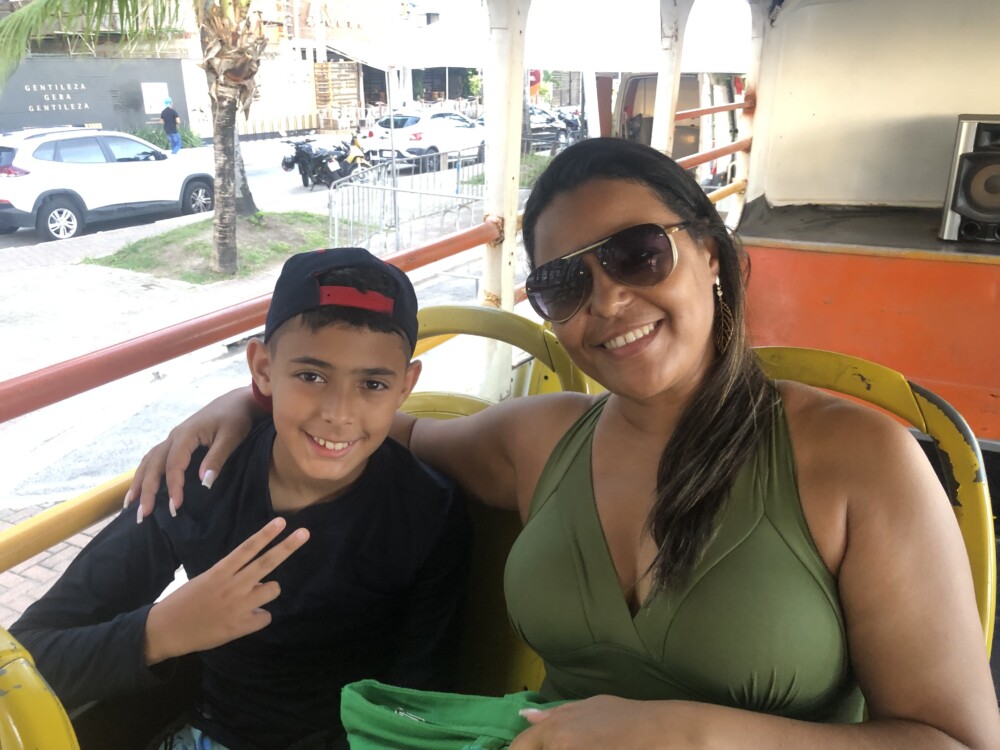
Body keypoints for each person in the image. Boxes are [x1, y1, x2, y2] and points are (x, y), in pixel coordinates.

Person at [127, 138, 1000, 748]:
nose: (607, 300)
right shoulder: (539, 440)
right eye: (562, 282)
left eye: (637, 254)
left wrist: (687, 735)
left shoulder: (857, 460)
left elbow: (954, 740)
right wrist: (248, 404)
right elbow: (367, 422)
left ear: (711, 256)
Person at [11, 248, 470, 750]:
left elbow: (419, 702)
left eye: (373, 384)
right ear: (263, 369)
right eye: (311, 376)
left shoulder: (429, 512)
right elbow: (30, 653)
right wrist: (161, 631)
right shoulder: (197, 478)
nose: (339, 413)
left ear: (405, 386)